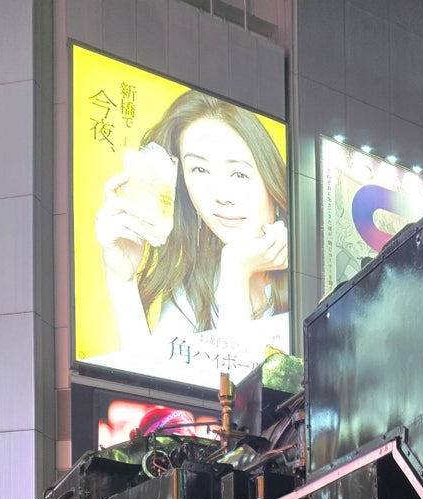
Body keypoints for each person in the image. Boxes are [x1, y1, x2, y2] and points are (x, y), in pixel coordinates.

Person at [95, 89, 289, 349]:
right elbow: (151, 374)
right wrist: (122, 281)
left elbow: (240, 374)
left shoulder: (311, 275)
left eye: (239, 174)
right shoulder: (192, 289)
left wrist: (236, 272)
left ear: (271, 178)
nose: (221, 196)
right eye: (199, 169)